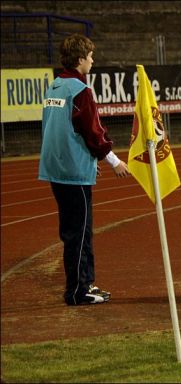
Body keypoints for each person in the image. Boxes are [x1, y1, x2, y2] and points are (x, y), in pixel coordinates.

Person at [38, 34, 129, 306]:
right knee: (79, 233)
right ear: (80, 60)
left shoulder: (55, 87)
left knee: (74, 230)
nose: (93, 60)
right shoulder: (81, 91)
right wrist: (114, 161)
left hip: (56, 168)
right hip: (72, 172)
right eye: (90, 56)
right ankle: (78, 290)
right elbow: (94, 133)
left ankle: (85, 283)